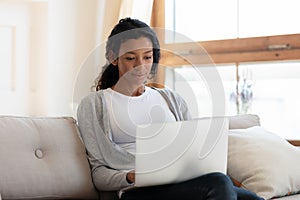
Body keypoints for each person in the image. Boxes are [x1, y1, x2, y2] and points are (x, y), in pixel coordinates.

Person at [77, 17, 264, 200]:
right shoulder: (94, 105)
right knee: (219, 183)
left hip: (184, 183)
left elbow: (194, 151)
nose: (140, 66)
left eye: (147, 57)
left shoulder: (171, 99)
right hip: (138, 192)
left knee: (251, 198)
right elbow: (99, 175)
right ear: (113, 58)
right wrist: (131, 176)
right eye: (130, 58)